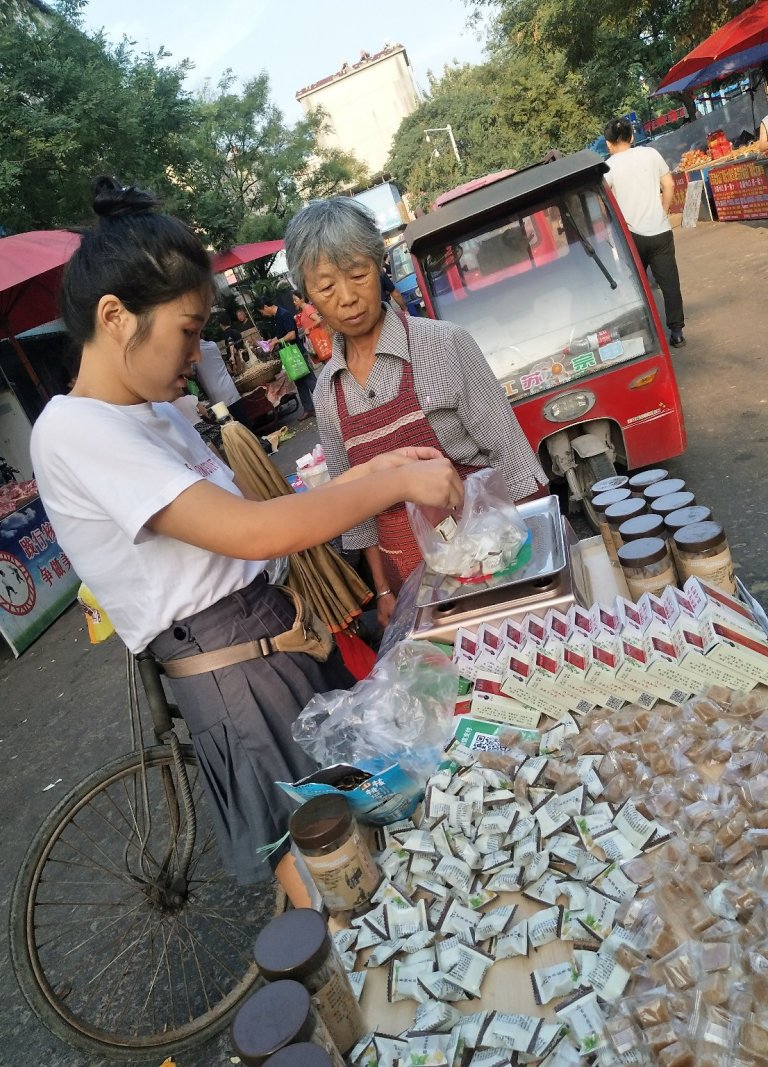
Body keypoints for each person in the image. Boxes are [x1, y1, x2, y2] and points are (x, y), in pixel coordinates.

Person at [30, 176, 464, 904]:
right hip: (232, 671)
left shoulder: (156, 416)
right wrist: (387, 483)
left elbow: (266, 521)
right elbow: (254, 532)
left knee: (372, 829)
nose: (198, 353)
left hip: (275, 639)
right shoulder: (75, 431)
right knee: (334, 880)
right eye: (188, 331)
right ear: (115, 316)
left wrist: (383, 464)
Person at [283, 196, 548, 629]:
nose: (347, 298)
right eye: (326, 287)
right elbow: (356, 511)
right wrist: (384, 591)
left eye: (358, 274)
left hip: (492, 564)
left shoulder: (444, 345)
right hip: (414, 589)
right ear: (307, 296)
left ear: (380, 265)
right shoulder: (328, 392)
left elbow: (514, 461)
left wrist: (533, 564)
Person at [604, 116, 686, 348]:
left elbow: (605, 206)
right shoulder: (650, 154)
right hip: (660, 231)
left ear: (608, 143)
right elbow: (669, 185)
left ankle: (647, 334)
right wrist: (663, 211)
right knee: (669, 282)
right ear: (632, 137)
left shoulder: (607, 168)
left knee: (636, 286)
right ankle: (677, 332)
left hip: (631, 237)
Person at [257, 293, 317, 422]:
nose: (263, 314)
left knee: (309, 379)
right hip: (289, 354)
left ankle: (326, 404)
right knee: (299, 382)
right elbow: (281, 335)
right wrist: (271, 341)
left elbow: (291, 335)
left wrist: (276, 342)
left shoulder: (284, 315)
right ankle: (309, 409)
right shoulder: (275, 317)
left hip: (297, 352)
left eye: (261, 311)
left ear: (265, 307)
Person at [195, 337, 253, 429]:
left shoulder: (193, 354)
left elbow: (190, 373)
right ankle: (255, 440)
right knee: (245, 422)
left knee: (229, 428)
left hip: (216, 397)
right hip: (230, 389)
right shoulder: (212, 345)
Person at [291, 290, 332, 363]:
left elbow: (318, 320)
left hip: (318, 338)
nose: (294, 302)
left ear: (302, 299)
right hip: (315, 339)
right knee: (325, 360)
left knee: (328, 359)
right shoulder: (304, 310)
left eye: (295, 300)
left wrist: (308, 328)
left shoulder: (307, 308)